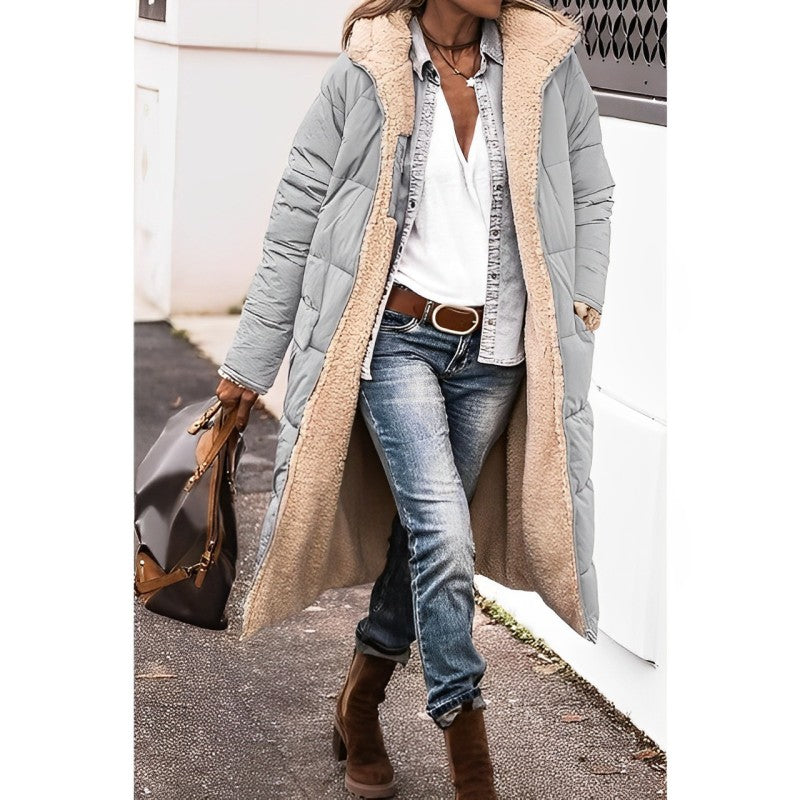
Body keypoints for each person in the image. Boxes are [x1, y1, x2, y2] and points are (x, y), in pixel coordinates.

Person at [216, 1, 614, 797]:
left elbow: (592, 190)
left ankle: (361, 699)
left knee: (427, 539)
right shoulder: (369, 69)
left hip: (495, 351)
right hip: (396, 341)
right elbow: (297, 215)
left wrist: (581, 301)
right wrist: (248, 365)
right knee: (443, 532)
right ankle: (470, 754)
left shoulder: (546, 64)